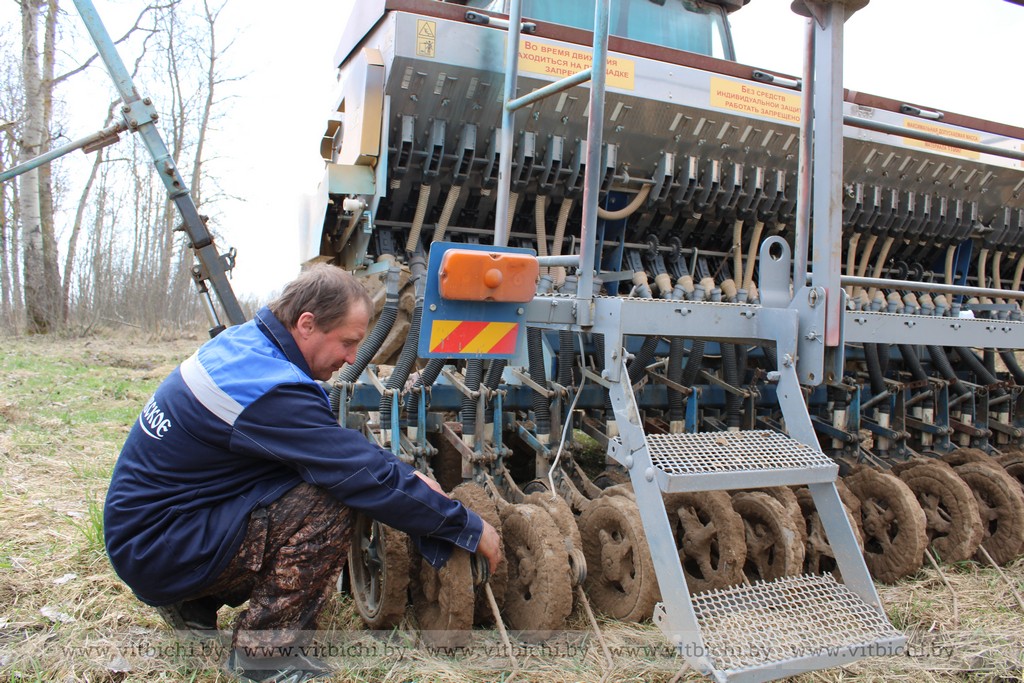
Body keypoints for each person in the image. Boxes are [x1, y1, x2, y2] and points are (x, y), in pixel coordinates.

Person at [104, 264, 502, 682]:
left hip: (154, 532)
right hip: (156, 548)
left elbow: (331, 447)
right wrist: (463, 525)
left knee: (305, 477)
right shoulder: (271, 391)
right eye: (348, 343)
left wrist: (401, 471)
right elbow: (352, 472)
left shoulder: (247, 347)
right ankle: (264, 657)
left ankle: (194, 601)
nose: (352, 358)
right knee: (329, 499)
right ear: (307, 324)